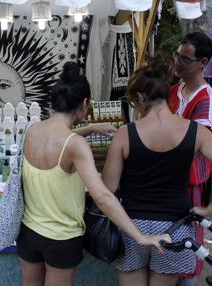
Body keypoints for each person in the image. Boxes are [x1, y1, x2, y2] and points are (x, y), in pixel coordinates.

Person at [16, 62, 170, 286]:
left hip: (29, 233)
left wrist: (90, 129)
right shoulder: (75, 145)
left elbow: (57, 137)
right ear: (85, 104)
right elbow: (102, 196)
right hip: (61, 238)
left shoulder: (33, 131)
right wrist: (140, 236)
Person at [102, 57, 212, 286]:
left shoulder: (124, 134)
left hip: (130, 226)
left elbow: (108, 189)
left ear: (140, 98)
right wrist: (208, 210)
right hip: (175, 227)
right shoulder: (196, 132)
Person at [169, 32, 212, 285]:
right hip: (169, 175)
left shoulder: (205, 99)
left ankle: (186, 277)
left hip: (189, 180)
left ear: (203, 62)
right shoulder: (174, 91)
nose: (178, 62)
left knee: (188, 230)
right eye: (177, 56)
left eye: (185, 59)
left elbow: (198, 143)